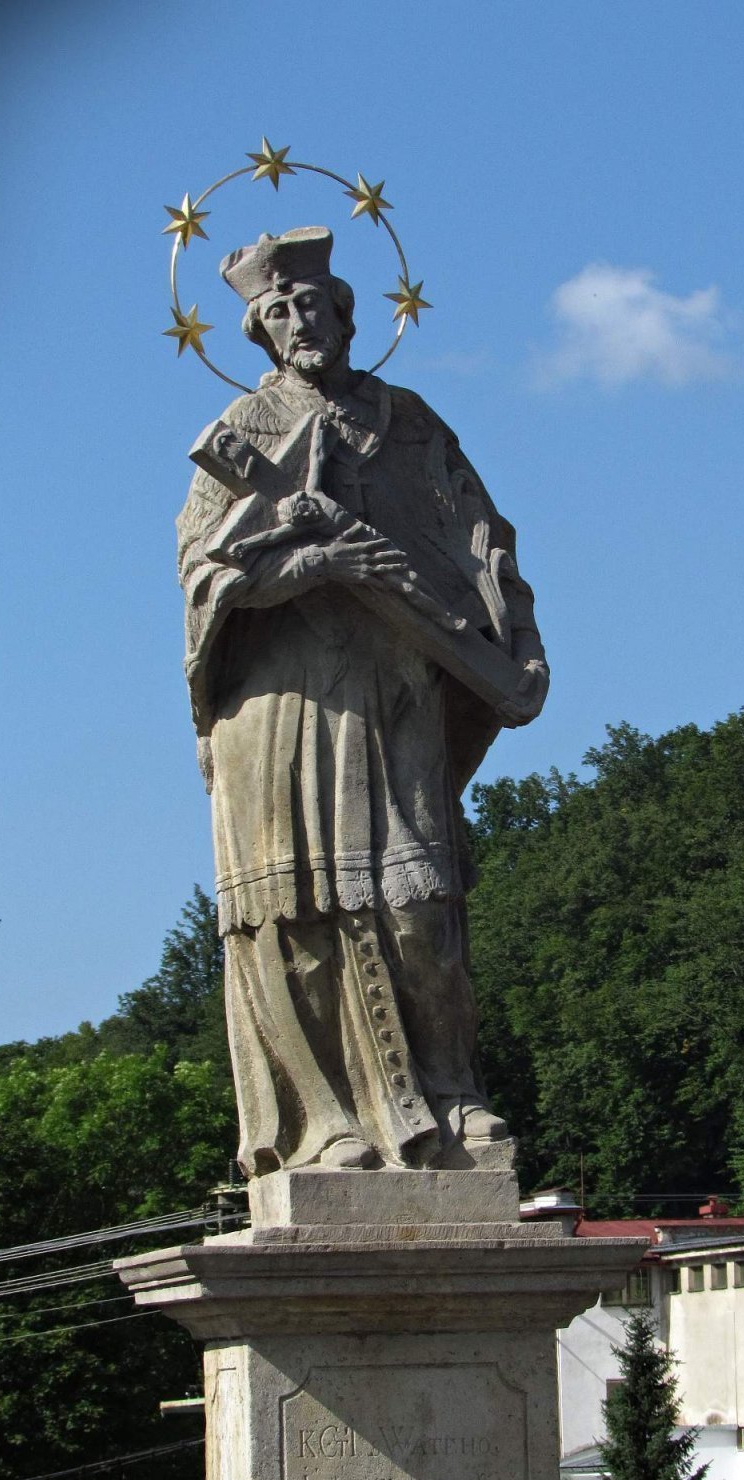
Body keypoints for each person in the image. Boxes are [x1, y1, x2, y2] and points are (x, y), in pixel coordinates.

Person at [175, 227, 547, 1175]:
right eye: (278, 311)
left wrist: (517, 641)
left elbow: (485, 542)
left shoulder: (411, 422)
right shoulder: (240, 439)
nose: (301, 322)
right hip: (283, 699)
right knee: (298, 920)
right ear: (259, 331)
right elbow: (202, 576)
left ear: (346, 313)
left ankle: (456, 1097)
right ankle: (328, 1122)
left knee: (421, 905)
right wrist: (311, 564)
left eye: (315, 303)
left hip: (398, 683)